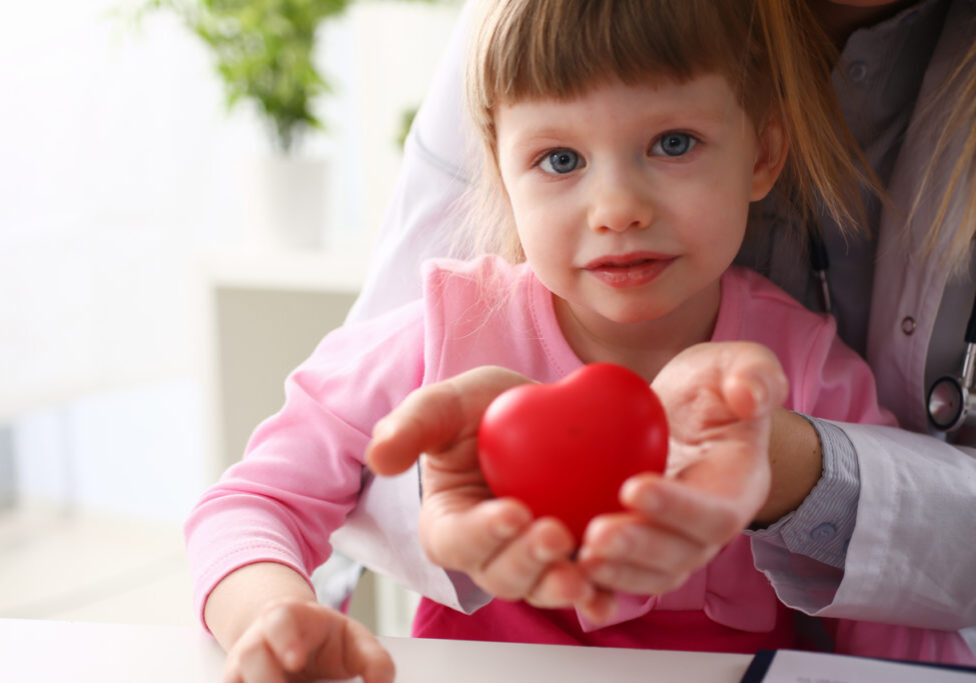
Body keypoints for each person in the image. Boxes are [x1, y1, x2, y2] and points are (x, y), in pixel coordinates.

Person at [186, 1, 974, 679]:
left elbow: (899, 617)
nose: (617, 206)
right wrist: (276, 613)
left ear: (763, 151)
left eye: (672, 143)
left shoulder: (799, 369)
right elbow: (250, 501)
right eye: (560, 159)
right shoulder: (442, 330)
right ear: (497, 165)